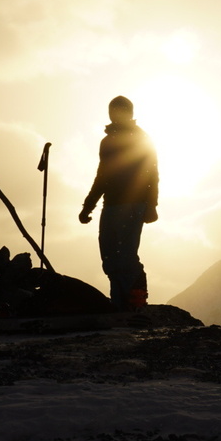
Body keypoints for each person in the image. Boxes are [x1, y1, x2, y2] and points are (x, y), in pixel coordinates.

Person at [79, 96, 159, 311]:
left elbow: (152, 174)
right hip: (112, 204)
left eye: (120, 111)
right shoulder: (108, 141)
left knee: (125, 255)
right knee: (109, 255)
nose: (116, 115)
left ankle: (136, 301)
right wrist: (89, 205)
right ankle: (119, 303)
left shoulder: (142, 138)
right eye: (113, 111)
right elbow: (102, 175)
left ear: (129, 113)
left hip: (134, 204)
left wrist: (152, 205)